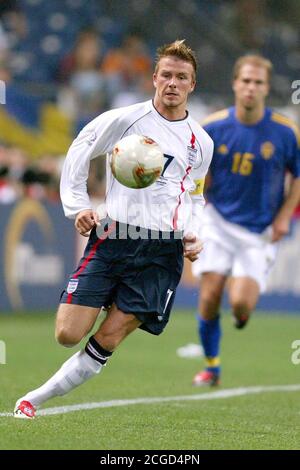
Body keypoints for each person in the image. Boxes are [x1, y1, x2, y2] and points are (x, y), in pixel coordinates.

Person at [14, 39, 213, 418]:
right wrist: (78, 207)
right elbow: (79, 149)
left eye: (181, 77)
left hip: (161, 251)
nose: (172, 82)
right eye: (166, 75)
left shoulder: (200, 142)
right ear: (154, 78)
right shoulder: (124, 120)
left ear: (192, 85)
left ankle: (33, 400)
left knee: (108, 337)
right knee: (67, 333)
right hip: (114, 236)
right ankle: (107, 294)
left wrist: (192, 231)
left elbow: (195, 194)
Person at [191, 55, 300, 387]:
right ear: (235, 84)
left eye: (258, 82)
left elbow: (297, 177)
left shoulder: (285, 131)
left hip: (260, 232)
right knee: (210, 295)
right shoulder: (211, 127)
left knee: (240, 304)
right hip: (218, 222)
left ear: (266, 88)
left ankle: (240, 316)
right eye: (246, 81)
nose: (251, 87)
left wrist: (283, 217)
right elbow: (195, 174)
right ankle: (212, 366)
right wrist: (194, 213)